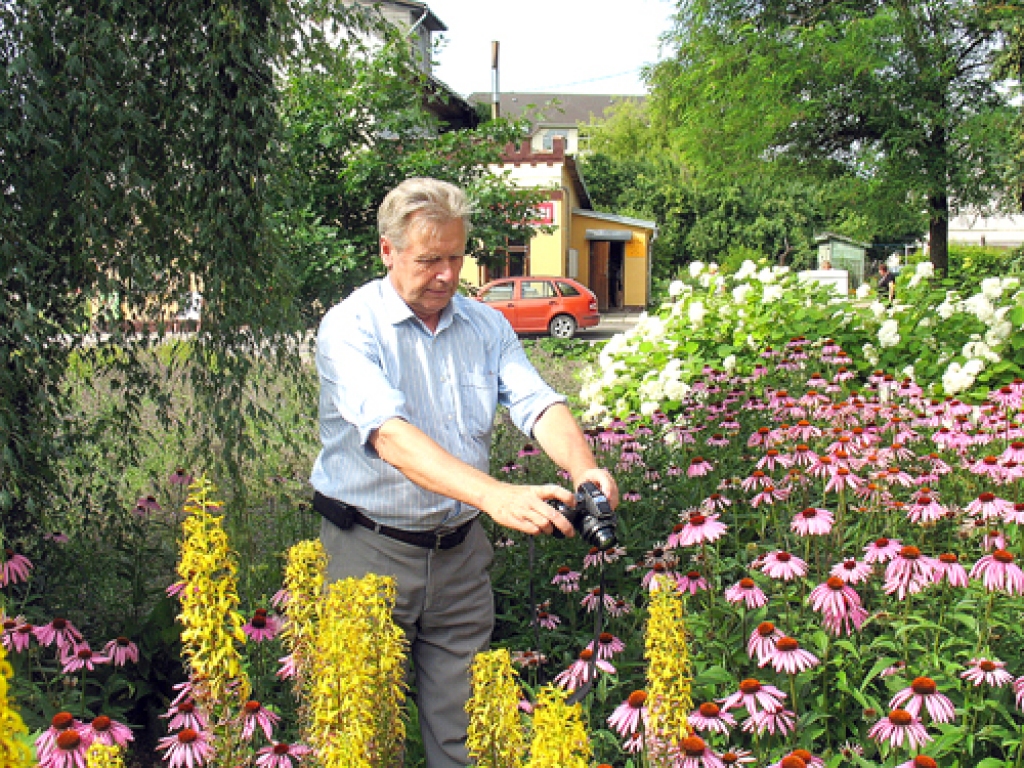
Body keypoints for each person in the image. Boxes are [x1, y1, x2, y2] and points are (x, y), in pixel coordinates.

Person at [309, 177, 619, 768]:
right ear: (388, 251)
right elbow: (391, 437)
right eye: (429, 259)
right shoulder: (350, 328)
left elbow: (538, 402)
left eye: (456, 257)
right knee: (358, 737)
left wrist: (584, 468)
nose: (448, 275)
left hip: (458, 558)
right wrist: (494, 496)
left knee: (466, 738)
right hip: (366, 550)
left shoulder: (485, 325)